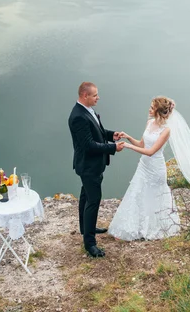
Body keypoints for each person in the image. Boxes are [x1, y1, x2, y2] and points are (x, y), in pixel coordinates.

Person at [108, 96, 180, 240]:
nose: (149, 109)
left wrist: (128, 146)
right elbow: (142, 144)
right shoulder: (149, 123)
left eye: (152, 107)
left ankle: (153, 227)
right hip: (143, 166)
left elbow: (151, 151)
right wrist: (128, 137)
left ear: (159, 111)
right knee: (136, 193)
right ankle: (132, 227)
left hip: (155, 168)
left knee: (153, 197)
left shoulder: (166, 130)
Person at [68, 82, 124, 258]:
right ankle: (90, 244)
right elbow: (88, 145)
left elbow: (97, 131)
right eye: (95, 95)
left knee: (86, 195)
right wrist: (113, 147)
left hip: (92, 165)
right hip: (88, 166)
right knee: (93, 200)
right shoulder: (78, 116)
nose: (98, 98)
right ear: (85, 96)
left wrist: (110, 135)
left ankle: (86, 228)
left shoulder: (86, 111)